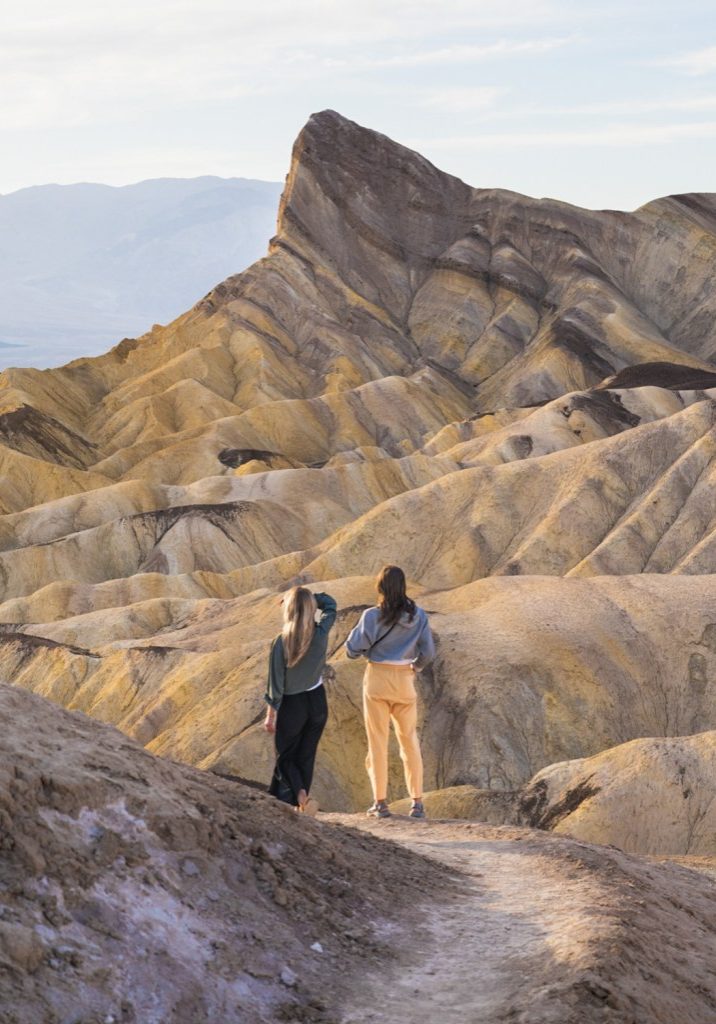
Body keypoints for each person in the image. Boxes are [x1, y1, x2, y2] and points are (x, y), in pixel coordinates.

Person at [346, 565, 435, 820]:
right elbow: (428, 653)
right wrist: (414, 668)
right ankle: (417, 802)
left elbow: (351, 650)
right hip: (405, 679)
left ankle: (380, 803)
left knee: (377, 742)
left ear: (380, 588)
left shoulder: (372, 616)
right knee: (409, 741)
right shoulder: (418, 616)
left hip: (377, 679)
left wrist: (365, 650)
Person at [264, 587, 337, 815]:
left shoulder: (281, 642)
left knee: (285, 758)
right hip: (317, 702)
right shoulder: (320, 632)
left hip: (292, 705)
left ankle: (301, 797)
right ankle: (300, 804)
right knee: (306, 755)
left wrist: (270, 714)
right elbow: (331, 605)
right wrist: (312, 598)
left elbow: (275, 683)